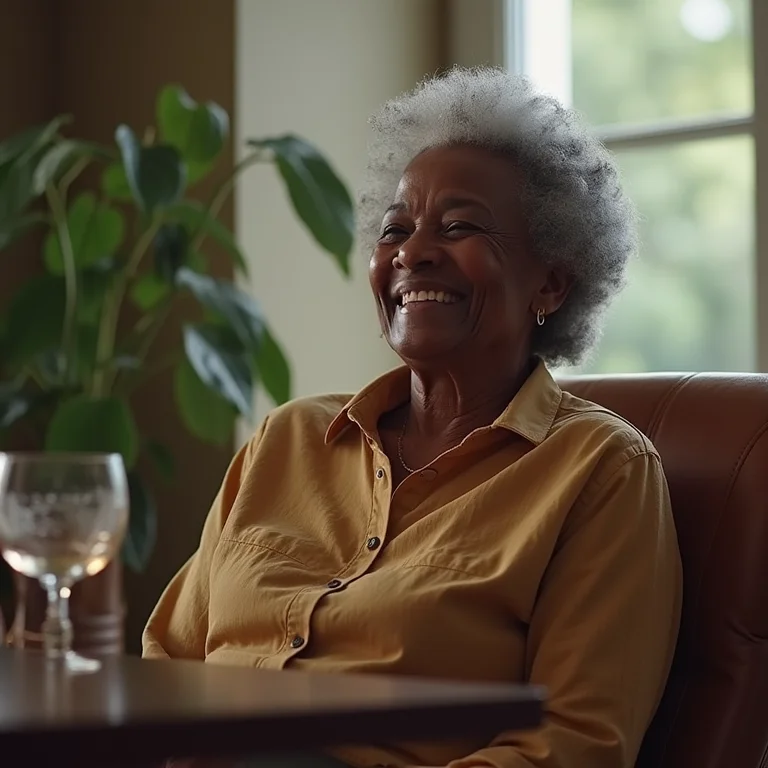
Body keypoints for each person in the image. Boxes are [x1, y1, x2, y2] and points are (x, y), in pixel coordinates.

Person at [144, 67, 682, 768]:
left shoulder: (600, 470)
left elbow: (572, 743)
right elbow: (165, 664)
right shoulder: (288, 439)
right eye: (395, 228)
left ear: (549, 282)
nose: (412, 252)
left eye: (458, 227)